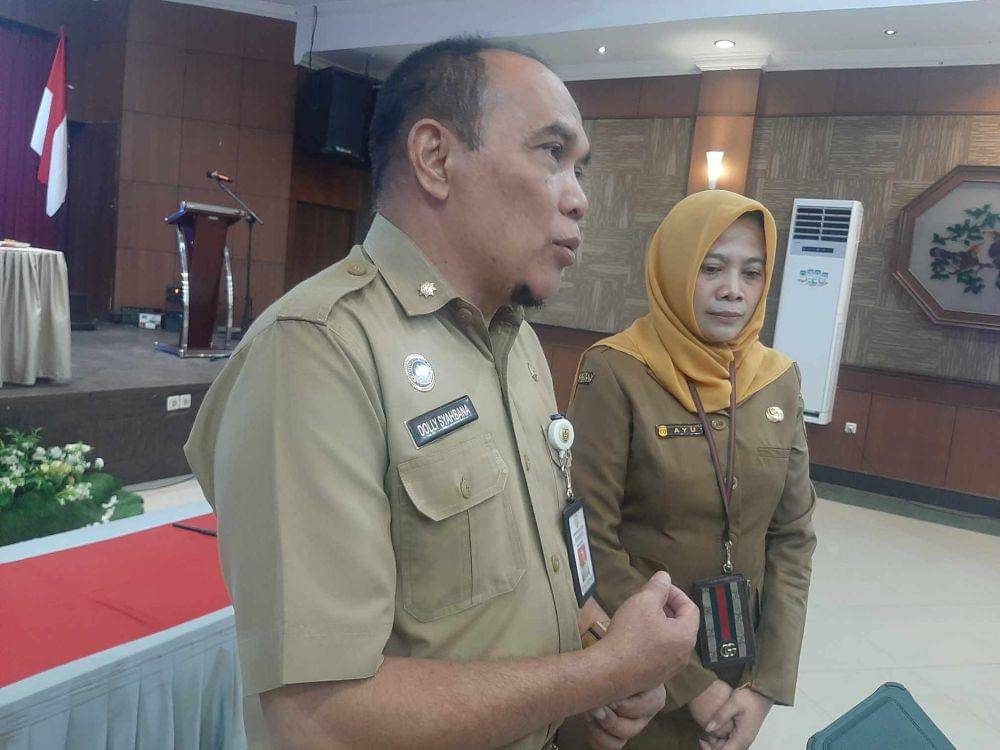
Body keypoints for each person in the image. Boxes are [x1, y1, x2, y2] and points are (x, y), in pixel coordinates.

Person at [184, 37, 700, 750]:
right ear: (435, 157)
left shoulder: (515, 341)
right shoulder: (318, 350)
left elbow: (536, 567)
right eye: (552, 153)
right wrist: (601, 673)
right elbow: (322, 722)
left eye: (580, 168)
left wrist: (599, 649)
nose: (579, 198)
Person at [561, 191, 818, 750]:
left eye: (751, 272)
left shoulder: (777, 380)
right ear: (675, 269)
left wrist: (765, 686)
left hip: (739, 666)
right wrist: (689, 683)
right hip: (632, 670)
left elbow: (792, 539)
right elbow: (589, 543)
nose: (733, 290)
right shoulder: (618, 370)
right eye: (711, 268)